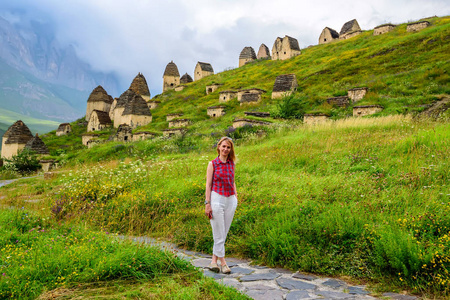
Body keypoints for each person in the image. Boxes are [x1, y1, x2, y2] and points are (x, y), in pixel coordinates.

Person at [204, 136, 238, 274]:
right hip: (216, 197)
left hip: (230, 199)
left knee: (223, 231)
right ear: (218, 147)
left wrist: (236, 195)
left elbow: (233, 180)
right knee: (218, 230)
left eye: (228, 147)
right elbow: (208, 184)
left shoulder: (232, 164)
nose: (225, 149)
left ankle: (213, 261)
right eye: (223, 146)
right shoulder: (212, 164)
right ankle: (223, 263)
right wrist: (207, 203)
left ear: (230, 150)